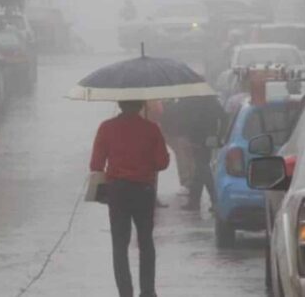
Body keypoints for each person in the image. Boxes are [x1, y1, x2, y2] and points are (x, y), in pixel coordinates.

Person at [90, 100, 170, 297]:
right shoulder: (152, 129)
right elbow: (162, 162)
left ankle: (125, 293)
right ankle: (148, 291)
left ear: (119, 104)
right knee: (145, 241)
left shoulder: (106, 127)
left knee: (119, 244)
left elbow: (96, 164)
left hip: (117, 191)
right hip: (143, 190)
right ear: (141, 105)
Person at [177, 96, 226, 212]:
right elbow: (224, 117)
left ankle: (213, 200)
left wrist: (219, 135)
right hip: (202, 139)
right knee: (200, 170)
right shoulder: (210, 100)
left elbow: (187, 119)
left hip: (201, 140)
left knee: (202, 168)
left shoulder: (196, 101)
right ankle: (195, 201)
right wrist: (219, 135)